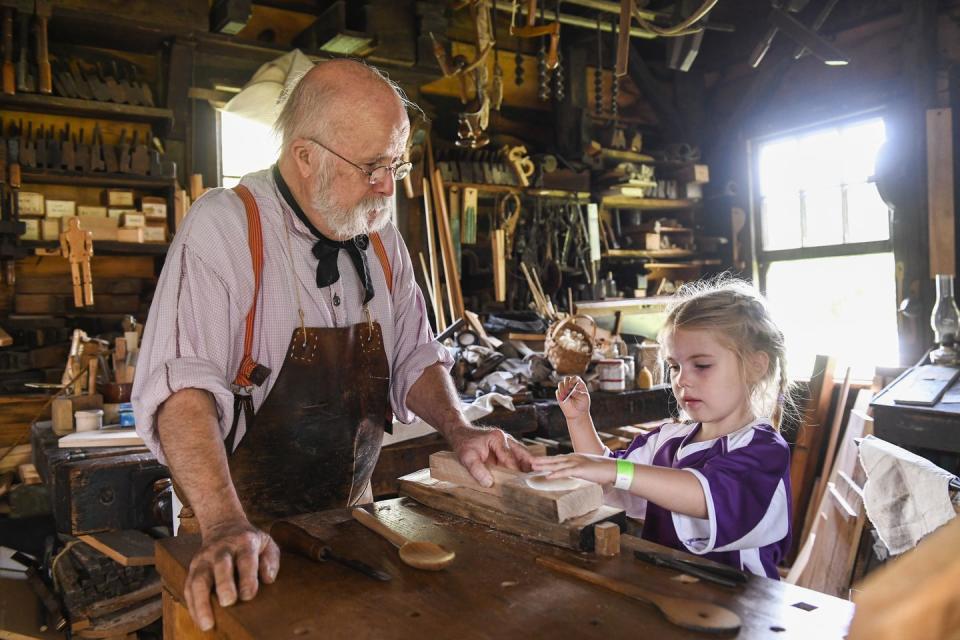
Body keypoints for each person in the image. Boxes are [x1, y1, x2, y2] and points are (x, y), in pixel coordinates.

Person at [132, 59, 532, 631]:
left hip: (352, 520)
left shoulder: (380, 233)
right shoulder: (224, 228)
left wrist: (459, 426)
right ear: (304, 156)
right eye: (371, 166)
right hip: (240, 533)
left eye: (395, 163)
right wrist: (222, 523)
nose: (387, 186)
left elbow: (414, 355)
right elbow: (182, 390)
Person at [532, 278, 793, 578]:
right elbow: (609, 479)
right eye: (674, 366)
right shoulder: (668, 440)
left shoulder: (763, 451)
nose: (682, 379)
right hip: (668, 590)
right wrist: (579, 420)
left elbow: (703, 495)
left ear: (756, 366)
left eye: (702, 365)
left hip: (744, 606)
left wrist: (615, 471)